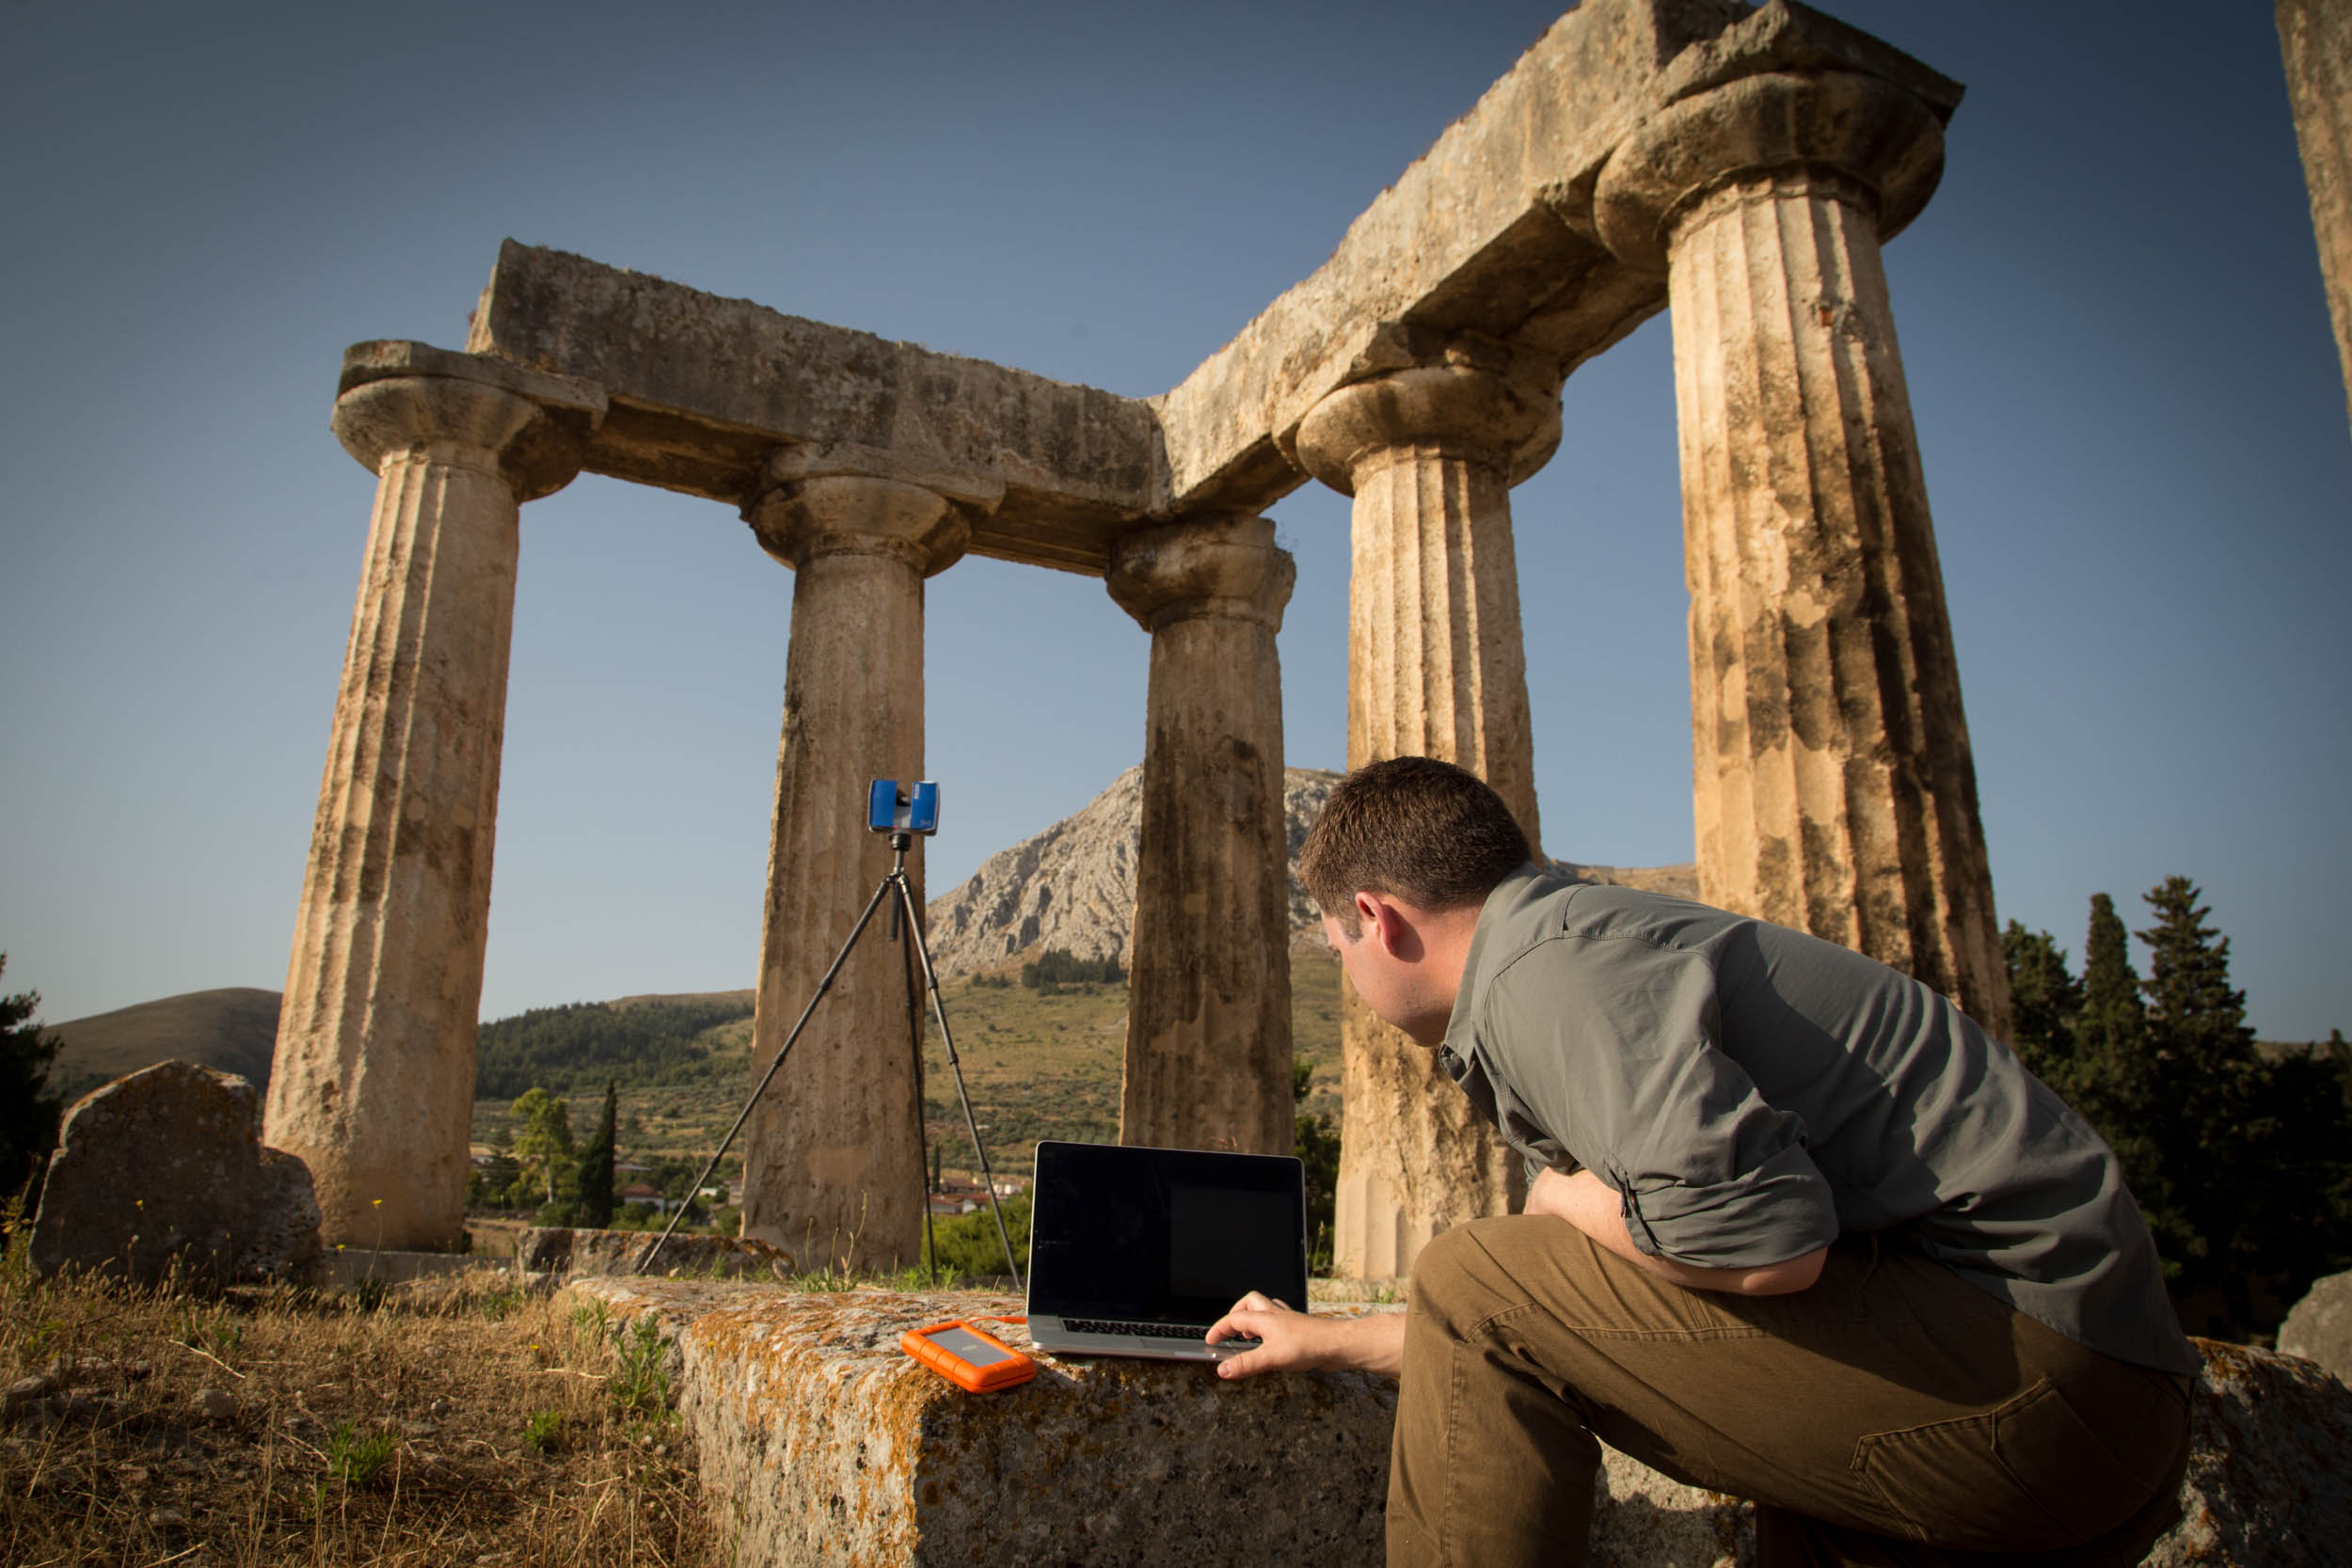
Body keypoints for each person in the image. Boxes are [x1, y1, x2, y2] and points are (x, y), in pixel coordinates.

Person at [1207, 756, 2196, 1568]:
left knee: (1470, 1266)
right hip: (2071, 1391)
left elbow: (1769, 1252)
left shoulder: (1542, 977)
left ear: (1377, 918)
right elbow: (1568, 1322)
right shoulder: (1579, 941)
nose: (1347, 969)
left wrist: (1563, 1196)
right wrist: (1338, 1338)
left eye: (1336, 947)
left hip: (2036, 1384)